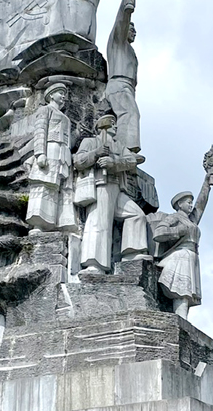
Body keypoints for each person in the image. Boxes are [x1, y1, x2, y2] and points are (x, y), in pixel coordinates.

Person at [73, 114, 148, 274]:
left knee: (136, 215)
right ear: (103, 126)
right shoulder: (91, 142)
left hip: (117, 187)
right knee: (99, 222)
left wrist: (114, 163)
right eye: (112, 124)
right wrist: (96, 153)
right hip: (101, 185)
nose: (115, 126)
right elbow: (78, 162)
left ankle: (131, 253)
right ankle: (93, 264)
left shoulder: (118, 145)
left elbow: (132, 161)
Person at [152, 148, 213, 319]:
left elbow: (201, 203)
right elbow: (159, 233)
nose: (190, 205)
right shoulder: (174, 217)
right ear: (179, 204)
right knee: (182, 291)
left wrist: (207, 181)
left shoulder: (192, 220)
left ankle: (183, 320)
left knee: (187, 293)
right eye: (188, 203)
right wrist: (177, 231)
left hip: (192, 256)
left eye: (190, 202)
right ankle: (179, 318)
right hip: (180, 256)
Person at [27, 81, 77, 233]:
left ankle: (58, 222)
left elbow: (68, 141)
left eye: (64, 94)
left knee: (61, 188)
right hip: (50, 149)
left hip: (64, 153)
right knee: (44, 184)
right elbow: (40, 131)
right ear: (51, 95)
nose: (63, 96)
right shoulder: (45, 110)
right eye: (60, 93)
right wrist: (40, 153)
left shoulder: (66, 118)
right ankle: (38, 224)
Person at [104, 0, 141, 153]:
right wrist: (128, 1)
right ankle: (126, 150)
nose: (134, 32)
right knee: (131, 113)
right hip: (118, 85)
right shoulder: (117, 44)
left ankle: (121, 148)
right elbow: (121, 21)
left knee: (128, 115)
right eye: (131, 29)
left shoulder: (130, 51)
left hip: (127, 88)